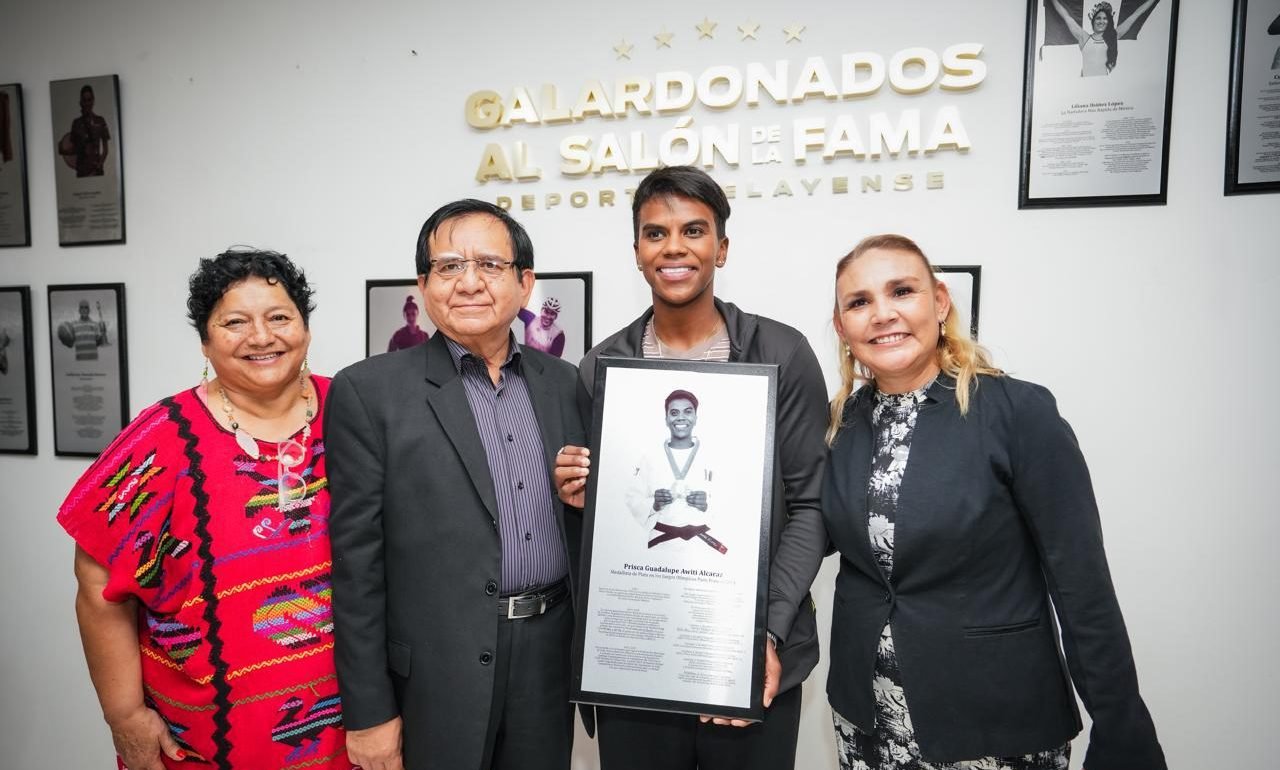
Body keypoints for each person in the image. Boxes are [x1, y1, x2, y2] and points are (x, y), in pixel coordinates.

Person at [823, 234, 1165, 770]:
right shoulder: (838, 425)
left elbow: (1081, 584)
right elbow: (803, 534)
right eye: (859, 301)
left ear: (940, 302)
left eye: (902, 291)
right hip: (869, 720)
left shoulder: (1018, 412)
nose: (882, 314)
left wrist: (1121, 726)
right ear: (842, 327)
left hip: (996, 723)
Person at [554, 165, 828, 770]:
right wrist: (579, 493)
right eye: (655, 233)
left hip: (748, 655)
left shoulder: (782, 354)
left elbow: (812, 507)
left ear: (721, 248)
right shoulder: (600, 368)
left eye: (694, 231)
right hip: (636, 657)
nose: (673, 247)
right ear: (637, 252)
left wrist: (764, 634)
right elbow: (609, 511)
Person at [57, 248, 350, 770]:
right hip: (205, 736)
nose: (261, 337)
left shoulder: (354, 413)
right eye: (235, 322)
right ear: (205, 341)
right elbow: (98, 584)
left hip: (352, 728)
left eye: (279, 317)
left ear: (305, 329)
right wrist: (124, 715)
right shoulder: (164, 436)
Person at [326, 199, 586, 770]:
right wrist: (368, 712)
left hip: (548, 658)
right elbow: (355, 567)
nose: (469, 282)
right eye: (448, 267)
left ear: (525, 283)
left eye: (489, 265)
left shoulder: (567, 384)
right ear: (423, 285)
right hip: (435, 674)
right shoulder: (369, 393)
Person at [624, 389, 726, 555]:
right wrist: (654, 504)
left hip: (701, 545)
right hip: (661, 542)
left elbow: (729, 501)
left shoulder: (712, 457)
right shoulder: (650, 458)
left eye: (688, 412)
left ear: (695, 418)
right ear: (666, 419)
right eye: (674, 413)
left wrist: (707, 504)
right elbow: (632, 498)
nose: (681, 417)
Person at [1048, 0, 1161, 76]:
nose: (1101, 21)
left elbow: (1136, 14)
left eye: (1105, 18)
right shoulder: (1084, 37)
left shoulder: (1113, 36)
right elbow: (1066, 16)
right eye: (1098, 18)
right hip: (1084, 84)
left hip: (1104, 86)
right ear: (1093, 20)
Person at [59, 83, 111, 176]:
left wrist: (99, 165)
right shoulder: (76, 123)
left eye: (89, 100)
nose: (87, 103)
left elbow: (106, 150)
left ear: (93, 101)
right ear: (81, 102)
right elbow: (74, 149)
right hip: (81, 173)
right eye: (84, 100)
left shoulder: (100, 121)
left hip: (97, 172)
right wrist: (63, 151)